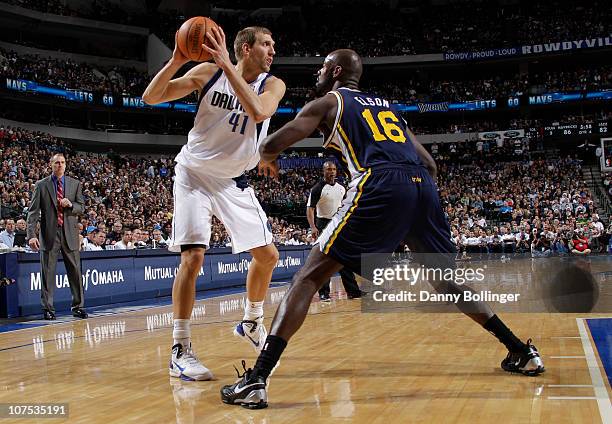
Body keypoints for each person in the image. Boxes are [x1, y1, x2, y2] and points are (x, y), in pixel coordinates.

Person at [221, 49, 544, 408]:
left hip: (380, 183)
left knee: (308, 278)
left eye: (322, 68)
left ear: (337, 72)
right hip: (422, 186)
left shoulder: (328, 103)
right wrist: (408, 215)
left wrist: (266, 158)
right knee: (446, 280)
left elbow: (271, 143)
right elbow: (430, 164)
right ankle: (520, 351)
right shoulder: (389, 109)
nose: (317, 73)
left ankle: (258, 378)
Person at [142, 25, 286, 381]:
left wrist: (225, 63)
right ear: (246, 48)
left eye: (273, 45)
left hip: (233, 180)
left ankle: (252, 320)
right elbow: (151, 97)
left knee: (268, 257)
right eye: (266, 44)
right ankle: (180, 349)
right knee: (193, 257)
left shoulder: (272, 84)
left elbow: (259, 113)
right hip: (194, 175)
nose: (272, 51)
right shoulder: (207, 74)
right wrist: (176, 59)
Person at [26, 153, 88, 320]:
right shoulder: (41, 185)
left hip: (70, 234)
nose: (60, 165)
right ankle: (47, 308)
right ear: (51, 165)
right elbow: (33, 213)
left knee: (75, 272)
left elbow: (81, 207)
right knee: (47, 273)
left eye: (62, 162)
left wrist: (71, 205)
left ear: (66, 165)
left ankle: (78, 307)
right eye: (56, 163)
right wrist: (31, 235)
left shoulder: (75, 184)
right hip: (49, 234)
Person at [307, 161, 362, 301]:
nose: (331, 172)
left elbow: (345, 205)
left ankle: (353, 291)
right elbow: (310, 209)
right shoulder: (317, 188)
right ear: (323, 171)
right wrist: (313, 227)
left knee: (344, 259)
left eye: (333, 169)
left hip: (338, 223)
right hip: (323, 224)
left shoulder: (342, 187)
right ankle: (324, 293)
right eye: (328, 169)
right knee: (324, 259)